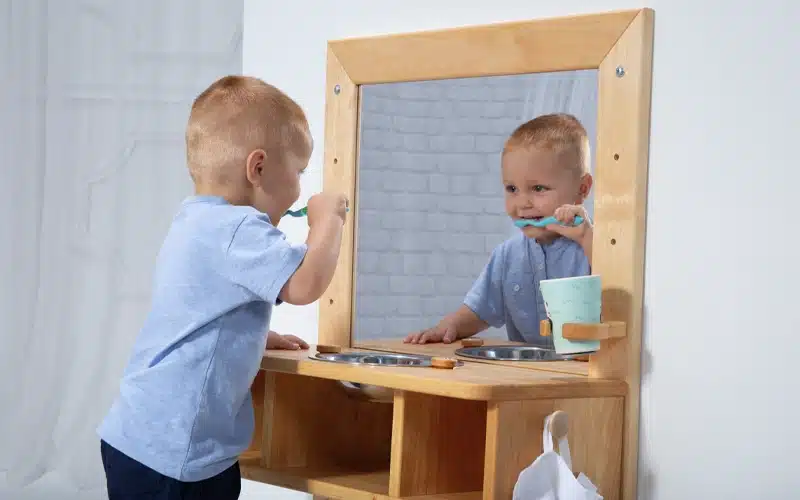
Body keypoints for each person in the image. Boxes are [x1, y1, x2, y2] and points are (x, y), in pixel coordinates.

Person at [96, 75, 348, 500]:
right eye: (299, 172)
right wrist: (329, 220)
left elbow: (193, 309)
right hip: (176, 454)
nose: (300, 187)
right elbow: (304, 284)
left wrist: (250, 334)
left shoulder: (194, 220)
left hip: (144, 441)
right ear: (259, 168)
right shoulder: (236, 227)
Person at [404, 113, 593, 347]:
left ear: (582, 189)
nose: (522, 202)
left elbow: (625, 299)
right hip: (527, 375)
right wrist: (447, 327)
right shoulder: (507, 255)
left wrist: (586, 237)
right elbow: (479, 311)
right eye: (512, 188)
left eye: (538, 188)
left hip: (586, 377)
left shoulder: (596, 245)